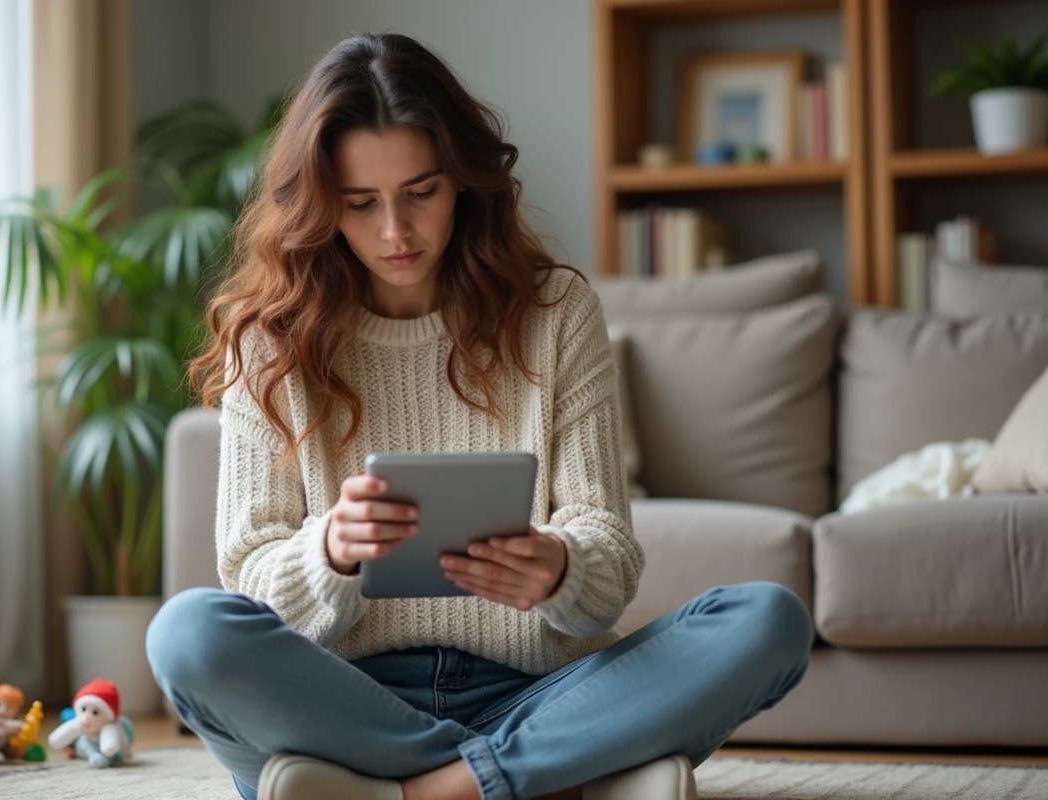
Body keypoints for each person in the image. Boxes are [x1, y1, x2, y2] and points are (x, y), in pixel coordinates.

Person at [147, 31, 813, 800]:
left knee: (767, 620)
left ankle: (421, 790)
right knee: (187, 633)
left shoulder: (556, 312)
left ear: (464, 180)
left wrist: (559, 567)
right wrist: (328, 551)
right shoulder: (268, 339)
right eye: (360, 204)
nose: (395, 232)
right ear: (322, 205)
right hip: (349, 702)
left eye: (421, 192)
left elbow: (608, 557)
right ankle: (562, 775)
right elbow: (250, 579)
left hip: (534, 689)